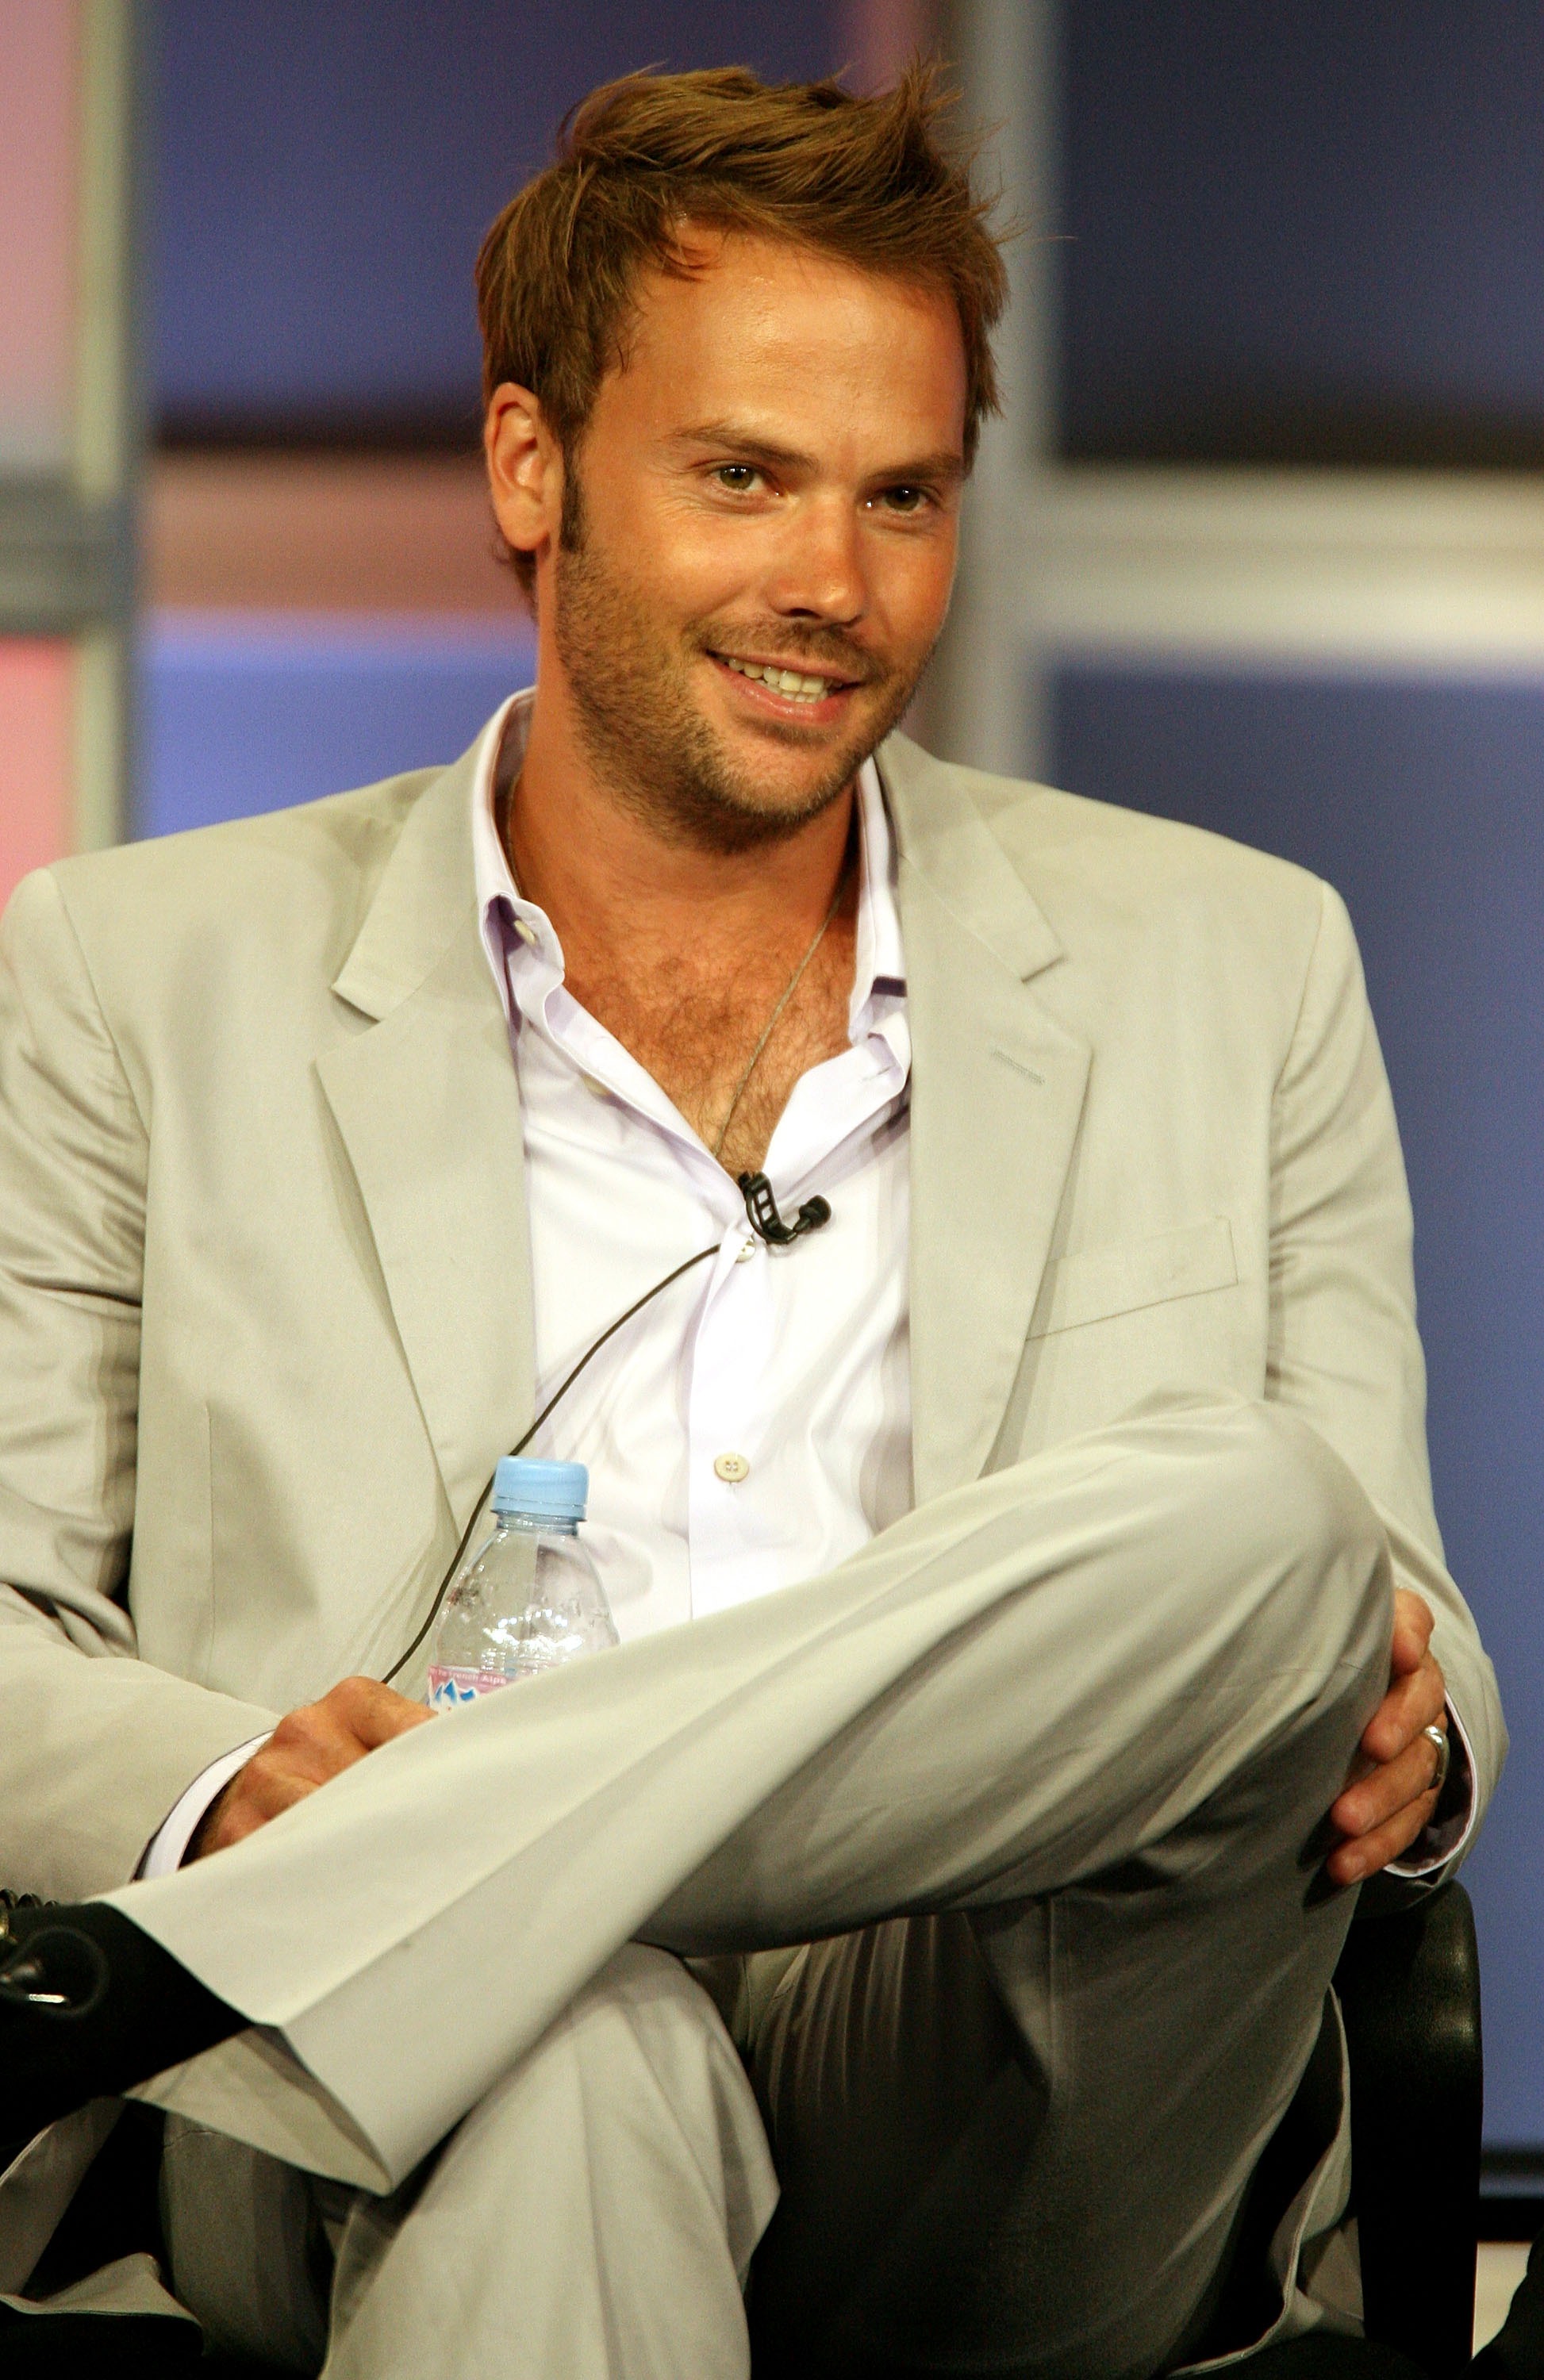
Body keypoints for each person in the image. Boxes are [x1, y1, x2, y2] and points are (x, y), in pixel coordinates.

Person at [0, 62, 1503, 2380]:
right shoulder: (127, 968)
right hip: (387, 2121)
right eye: (742, 478)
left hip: (1015, 2089)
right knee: (565, 2046)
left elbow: (1375, 1596)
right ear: (532, 471)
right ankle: (468, 1921)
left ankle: (451, 1879)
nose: (835, 582)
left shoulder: (1239, 952)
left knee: (1264, 1525)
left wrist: (1424, 1717)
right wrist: (218, 1790)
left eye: (902, 496)